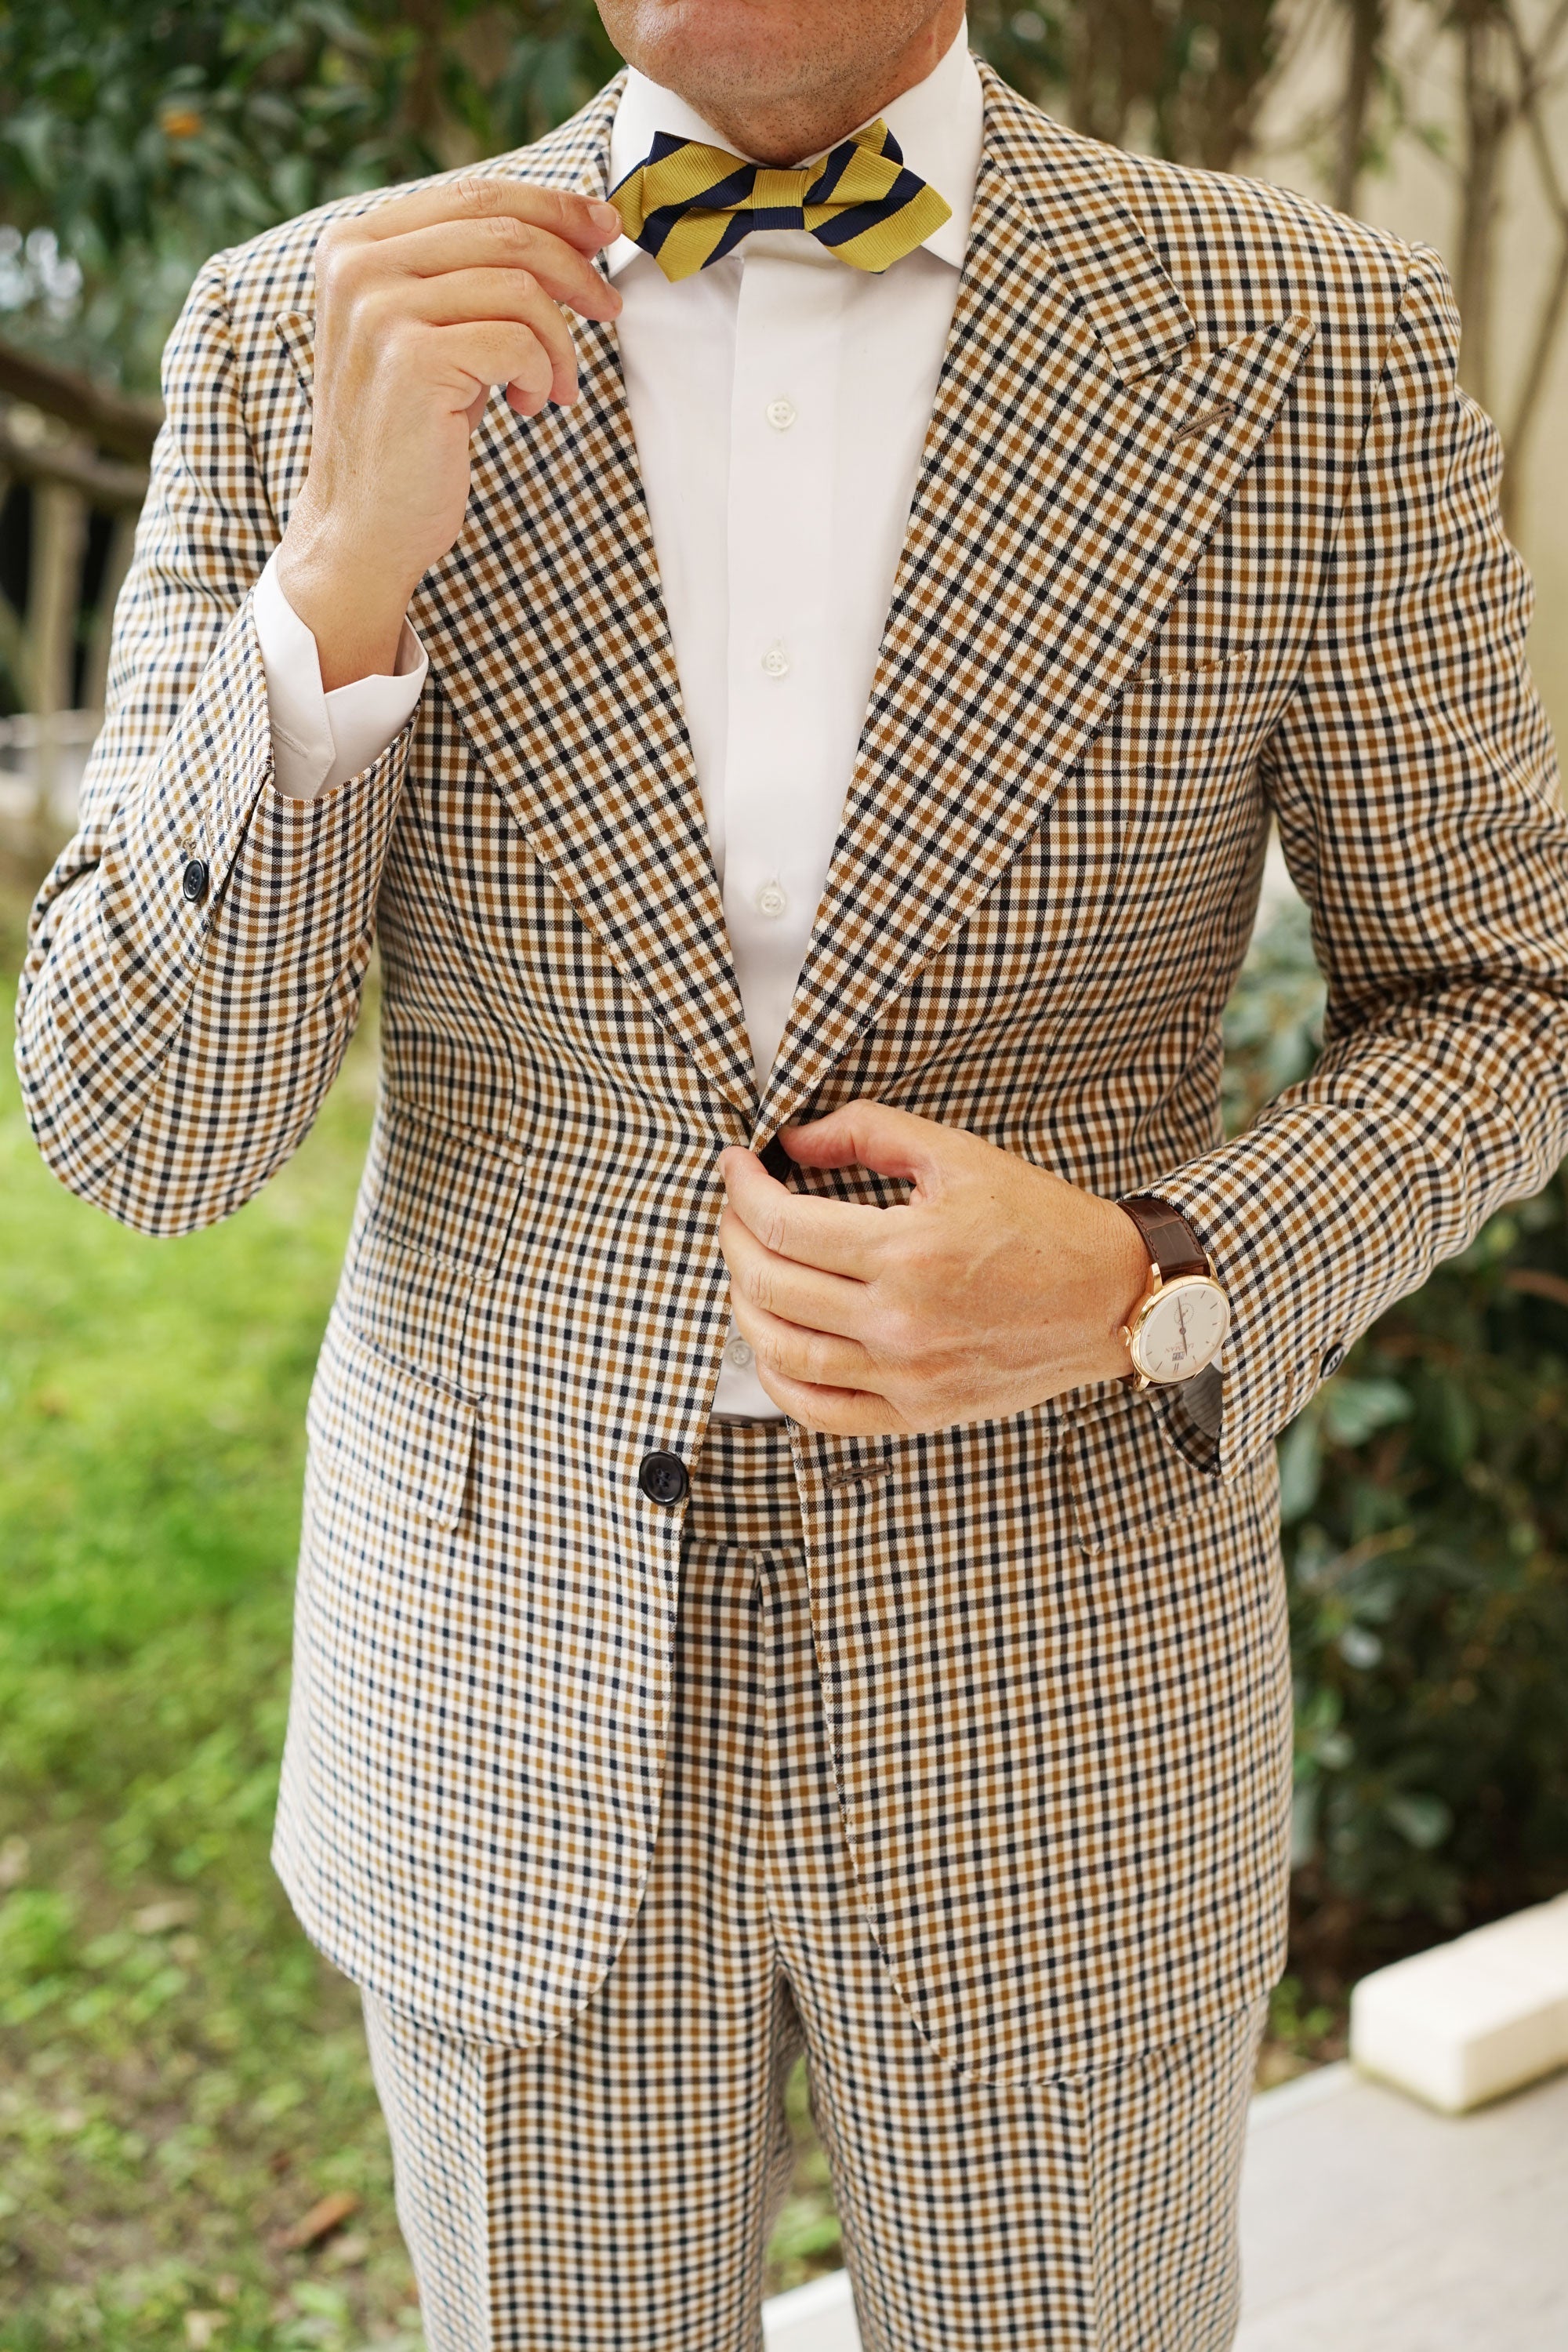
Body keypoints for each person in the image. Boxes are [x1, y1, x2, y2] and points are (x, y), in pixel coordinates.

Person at [16, 0, 1568, 2343]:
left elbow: (1508, 992)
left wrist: (1160, 1264)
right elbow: (138, 1136)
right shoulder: (302, 327)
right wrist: (337, 582)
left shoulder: (1298, 331)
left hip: (1062, 1687)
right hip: (504, 1678)